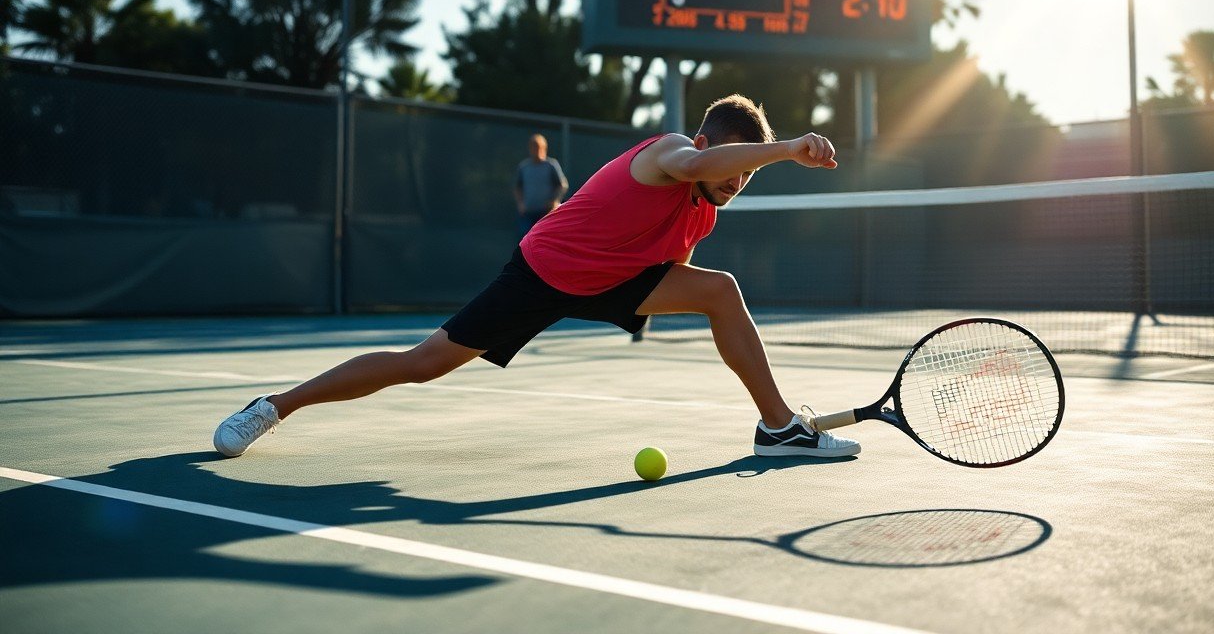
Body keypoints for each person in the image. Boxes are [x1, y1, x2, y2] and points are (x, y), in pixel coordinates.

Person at [213, 94, 860, 460]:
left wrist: (655, 310)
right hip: (544, 270)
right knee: (423, 362)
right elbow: (696, 165)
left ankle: (777, 426)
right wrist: (786, 150)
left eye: (744, 178)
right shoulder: (670, 153)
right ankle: (272, 407)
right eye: (734, 168)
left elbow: (670, 276)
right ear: (709, 146)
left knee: (720, 291)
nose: (735, 182)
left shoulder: (703, 217)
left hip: (614, 280)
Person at [514, 133, 568, 237]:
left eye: (539, 147)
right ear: (530, 148)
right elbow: (517, 187)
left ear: (544, 148)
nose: (536, 150)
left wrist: (555, 201)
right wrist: (520, 203)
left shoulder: (551, 165)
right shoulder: (524, 167)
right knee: (524, 240)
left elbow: (562, 185)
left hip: (545, 214)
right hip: (528, 213)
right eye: (534, 147)